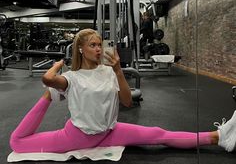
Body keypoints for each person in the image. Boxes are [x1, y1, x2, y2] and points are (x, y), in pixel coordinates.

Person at [10, 28, 236, 154]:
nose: (98, 49)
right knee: (17, 142)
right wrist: (58, 65)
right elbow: (47, 79)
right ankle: (49, 97)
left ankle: (220, 137)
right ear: (81, 49)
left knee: (158, 133)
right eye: (92, 45)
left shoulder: (108, 72)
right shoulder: (72, 78)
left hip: (110, 131)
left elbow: (127, 102)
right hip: (77, 136)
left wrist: (118, 70)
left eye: (100, 44)